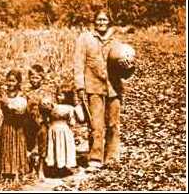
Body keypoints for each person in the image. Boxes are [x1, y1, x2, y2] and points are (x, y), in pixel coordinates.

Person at [73, 9, 135, 171]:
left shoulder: (116, 41)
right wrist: (79, 85)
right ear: (94, 21)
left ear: (109, 22)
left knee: (113, 123)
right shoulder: (85, 39)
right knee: (96, 124)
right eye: (99, 20)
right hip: (93, 86)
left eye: (104, 20)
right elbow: (78, 63)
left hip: (113, 87)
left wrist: (129, 67)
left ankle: (112, 157)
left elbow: (125, 69)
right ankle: (95, 158)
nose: (101, 23)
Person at [0, 69, 29, 182]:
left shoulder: (21, 95)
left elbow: (21, 110)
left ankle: (17, 172)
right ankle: (6, 171)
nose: (10, 84)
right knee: (7, 147)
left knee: (18, 147)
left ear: (18, 83)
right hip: (7, 125)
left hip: (17, 126)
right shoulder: (4, 95)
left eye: (13, 81)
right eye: (8, 81)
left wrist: (10, 105)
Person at [43, 85, 77, 176]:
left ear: (67, 96)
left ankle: (62, 167)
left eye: (61, 95)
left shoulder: (69, 108)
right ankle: (55, 167)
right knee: (55, 146)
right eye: (57, 95)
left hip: (63, 129)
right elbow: (47, 118)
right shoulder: (53, 106)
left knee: (62, 146)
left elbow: (72, 121)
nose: (58, 97)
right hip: (54, 128)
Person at [25, 64, 50, 180]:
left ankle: (41, 170)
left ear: (42, 79)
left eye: (37, 78)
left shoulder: (46, 92)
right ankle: (30, 169)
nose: (34, 80)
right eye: (32, 78)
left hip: (42, 122)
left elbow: (51, 107)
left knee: (42, 145)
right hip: (29, 123)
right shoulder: (26, 92)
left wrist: (45, 105)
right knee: (29, 145)